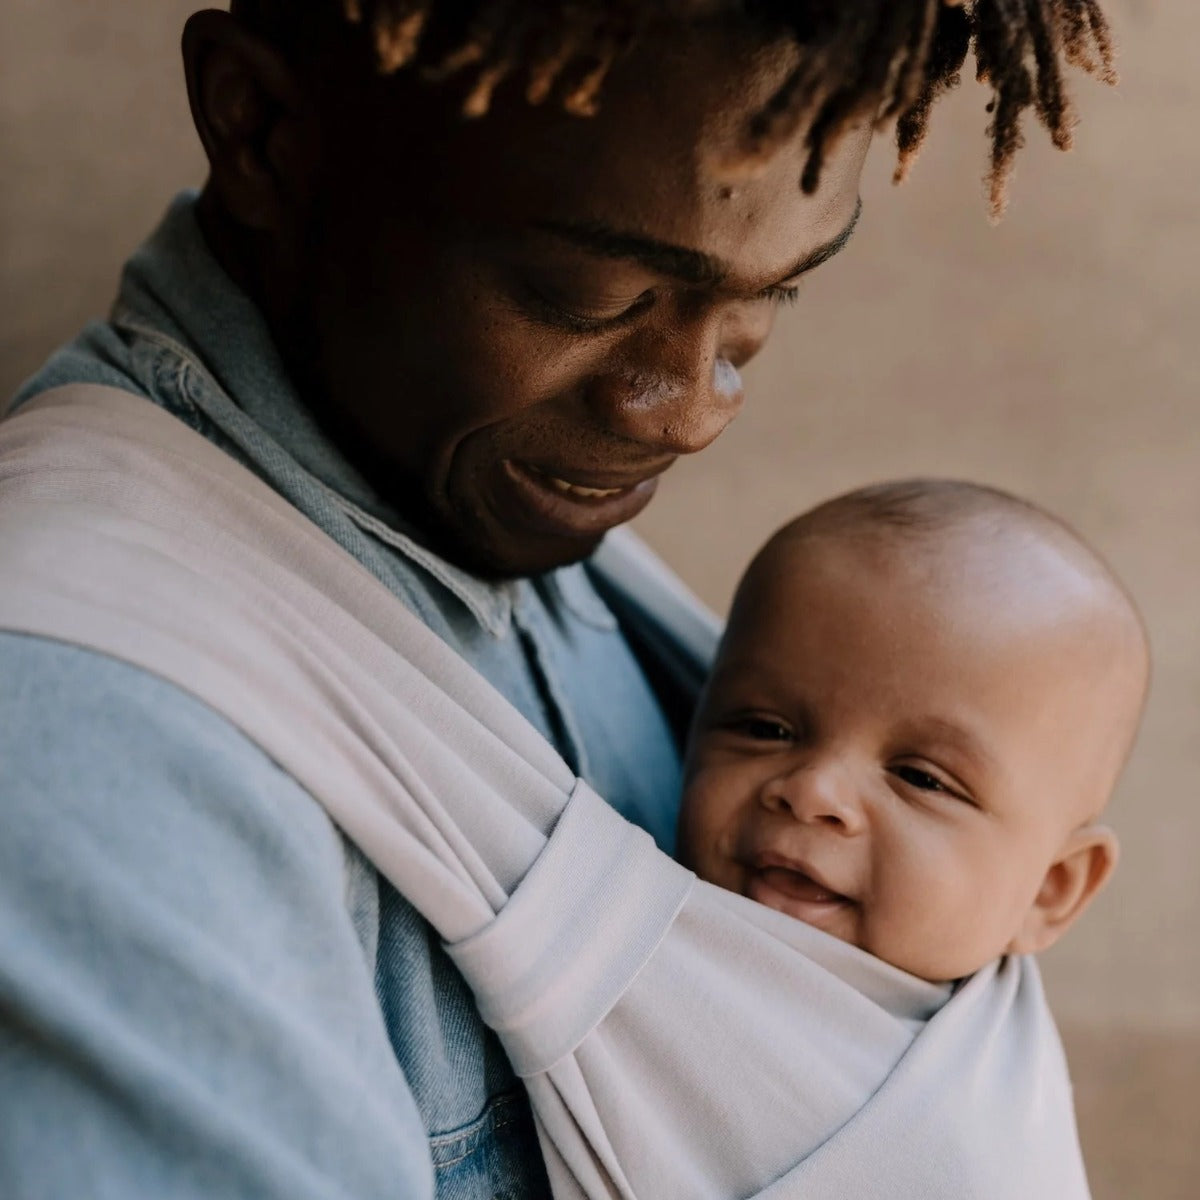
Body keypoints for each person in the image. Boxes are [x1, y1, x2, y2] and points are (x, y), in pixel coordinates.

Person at [0, 3, 1118, 1198]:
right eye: (587, 294)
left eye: (764, 304)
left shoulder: (509, 525)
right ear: (261, 124)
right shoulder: (92, 729)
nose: (692, 408)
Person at [679, 479, 1147, 986]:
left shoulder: (992, 1063)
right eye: (766, 729)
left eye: (920, 779)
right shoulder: (607, 920)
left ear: (1048, 891)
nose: (813, 791)